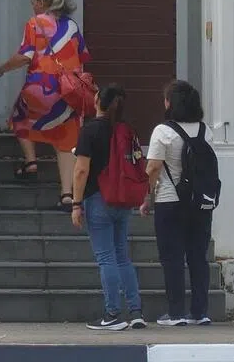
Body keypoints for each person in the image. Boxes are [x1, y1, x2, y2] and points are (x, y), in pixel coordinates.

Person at [0, 0, 89, 211]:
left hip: (42, 87)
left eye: (33, 2)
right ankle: (67, 196)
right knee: (65, 140)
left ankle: (31, 163)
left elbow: (25, 56)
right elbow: (81, 57)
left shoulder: (35, 24)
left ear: (42, 2)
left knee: (19, 117)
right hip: (70, 92)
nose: (31, 6)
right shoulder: (72, 26)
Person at [72, 84, 145, 331]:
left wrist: (75, 203)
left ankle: (112, 313)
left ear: (97, 101)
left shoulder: (89, 130)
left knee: (106, 258)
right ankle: (135, 311)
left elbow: (81, 170)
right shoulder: (126, 129)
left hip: (97, 198)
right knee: (122, 256)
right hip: (122, 199)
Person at [143, 80, 214, 326]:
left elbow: (152, 167)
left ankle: (175, 312)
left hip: (170, 201)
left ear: (170, 103)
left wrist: (146, 196)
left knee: (172, 258)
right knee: (198, 257)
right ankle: (200, 312)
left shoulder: (163, 131)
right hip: (201, 203)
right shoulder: (206, 131)